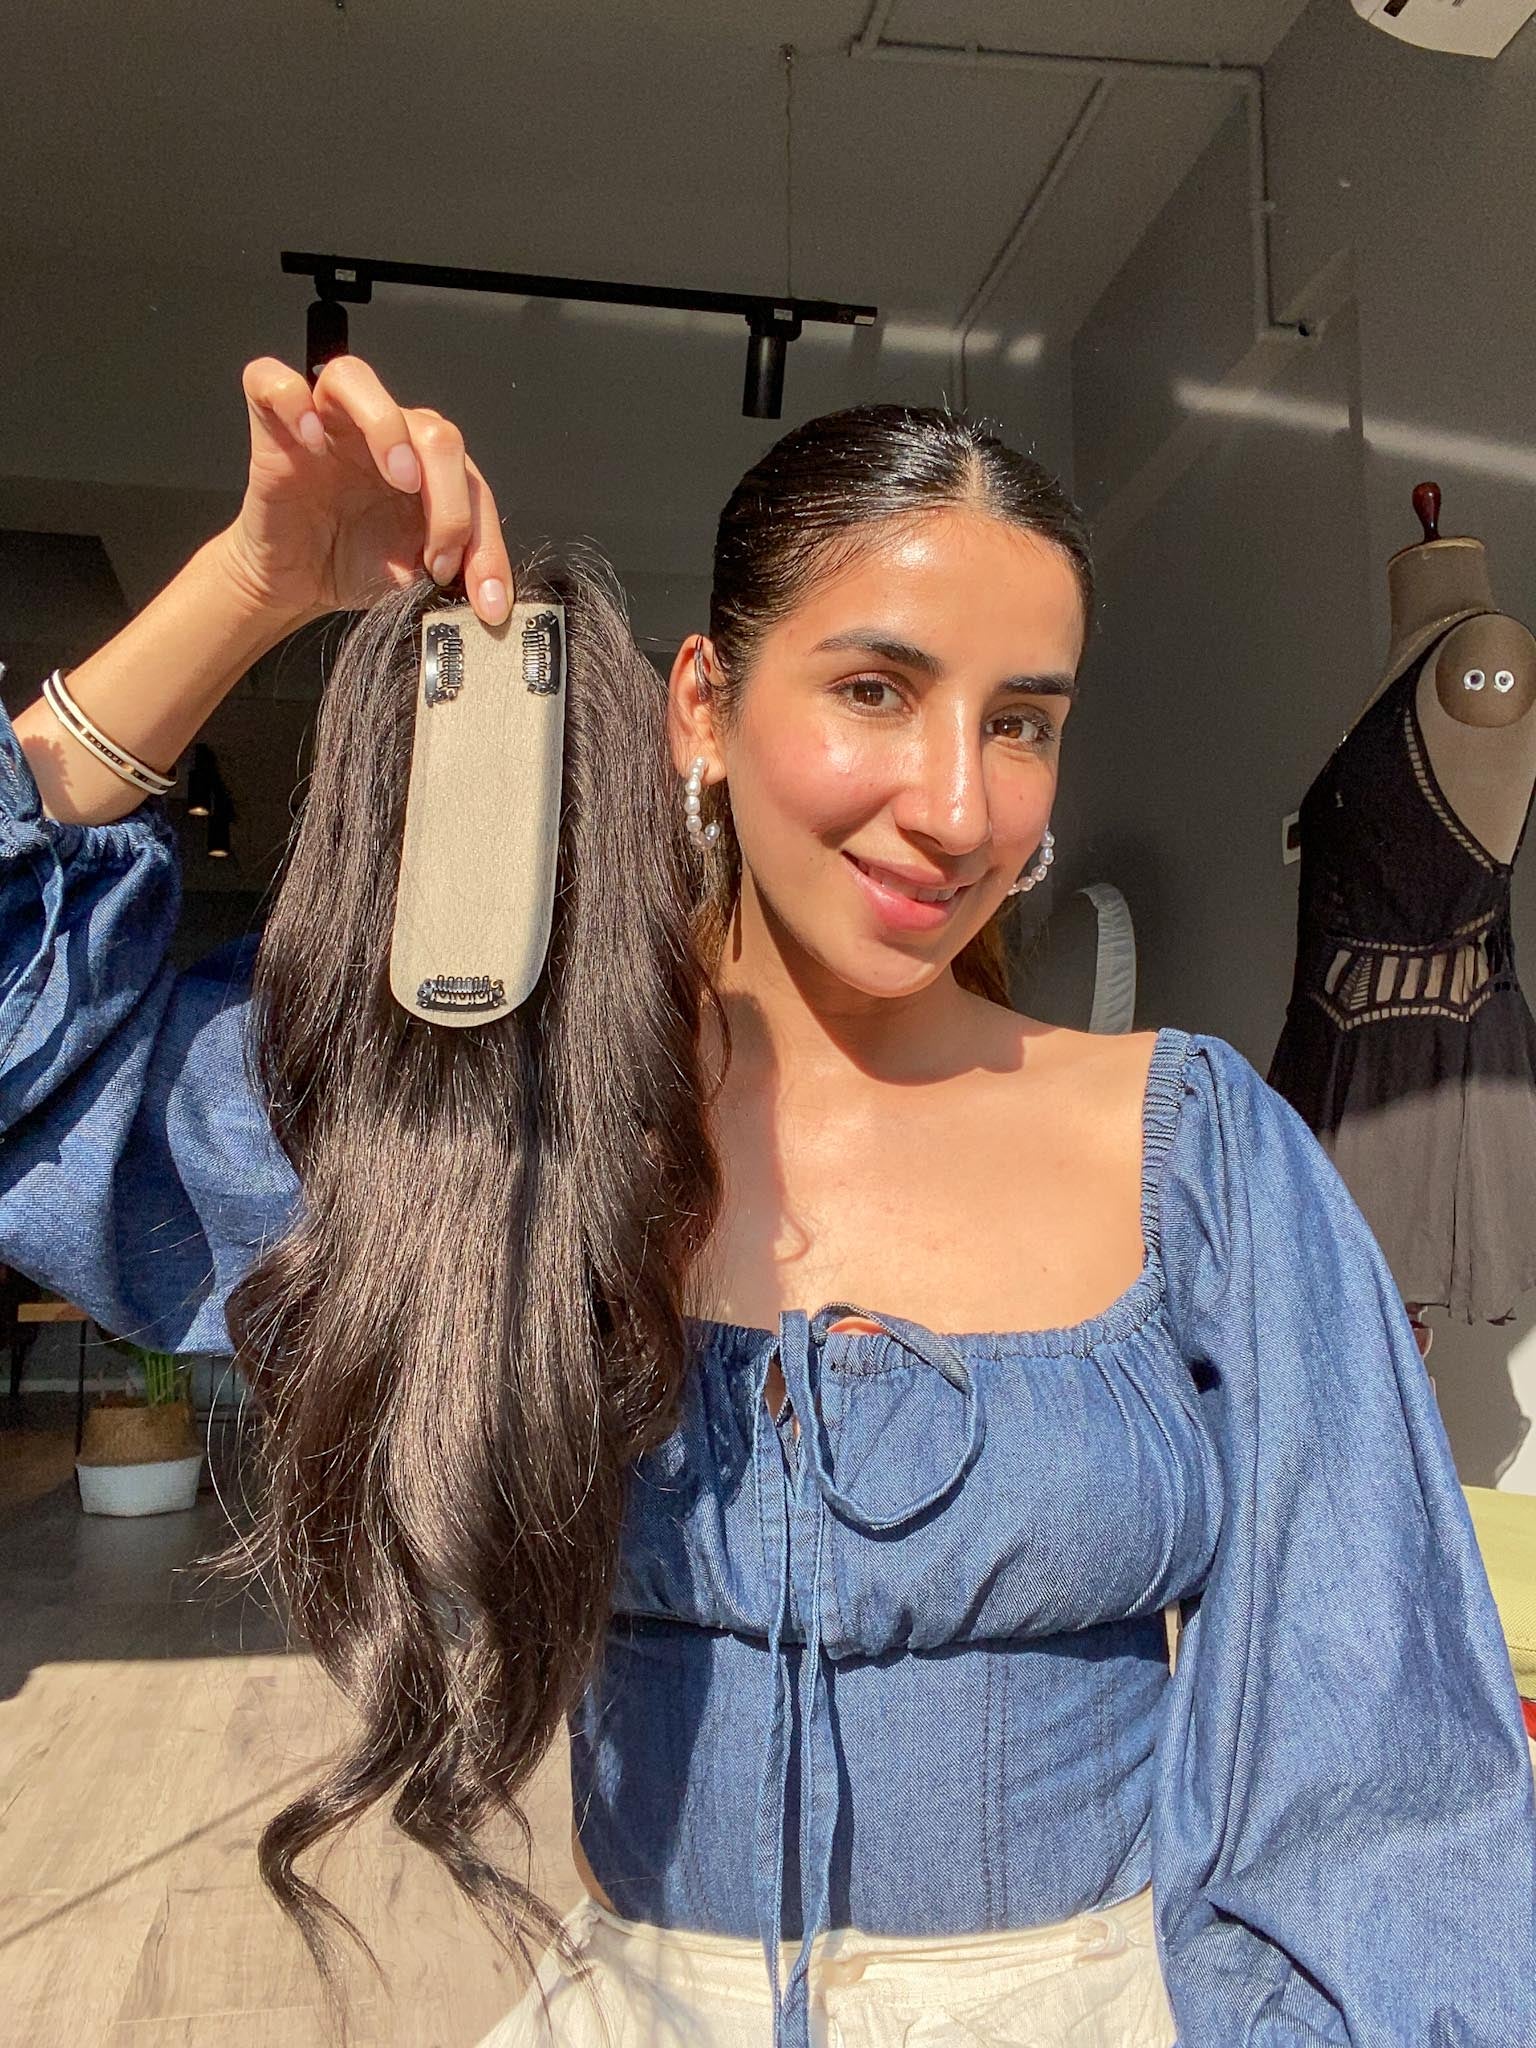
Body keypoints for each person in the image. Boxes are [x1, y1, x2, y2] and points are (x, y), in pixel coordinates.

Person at [2, 355, 1532, 2048]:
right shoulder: (506, 1138)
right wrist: (247, 587)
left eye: (1020, 721)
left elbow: (1386, 1777)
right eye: (876, 689)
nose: (957, 808)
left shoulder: (1200, 1156)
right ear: (702, 710)